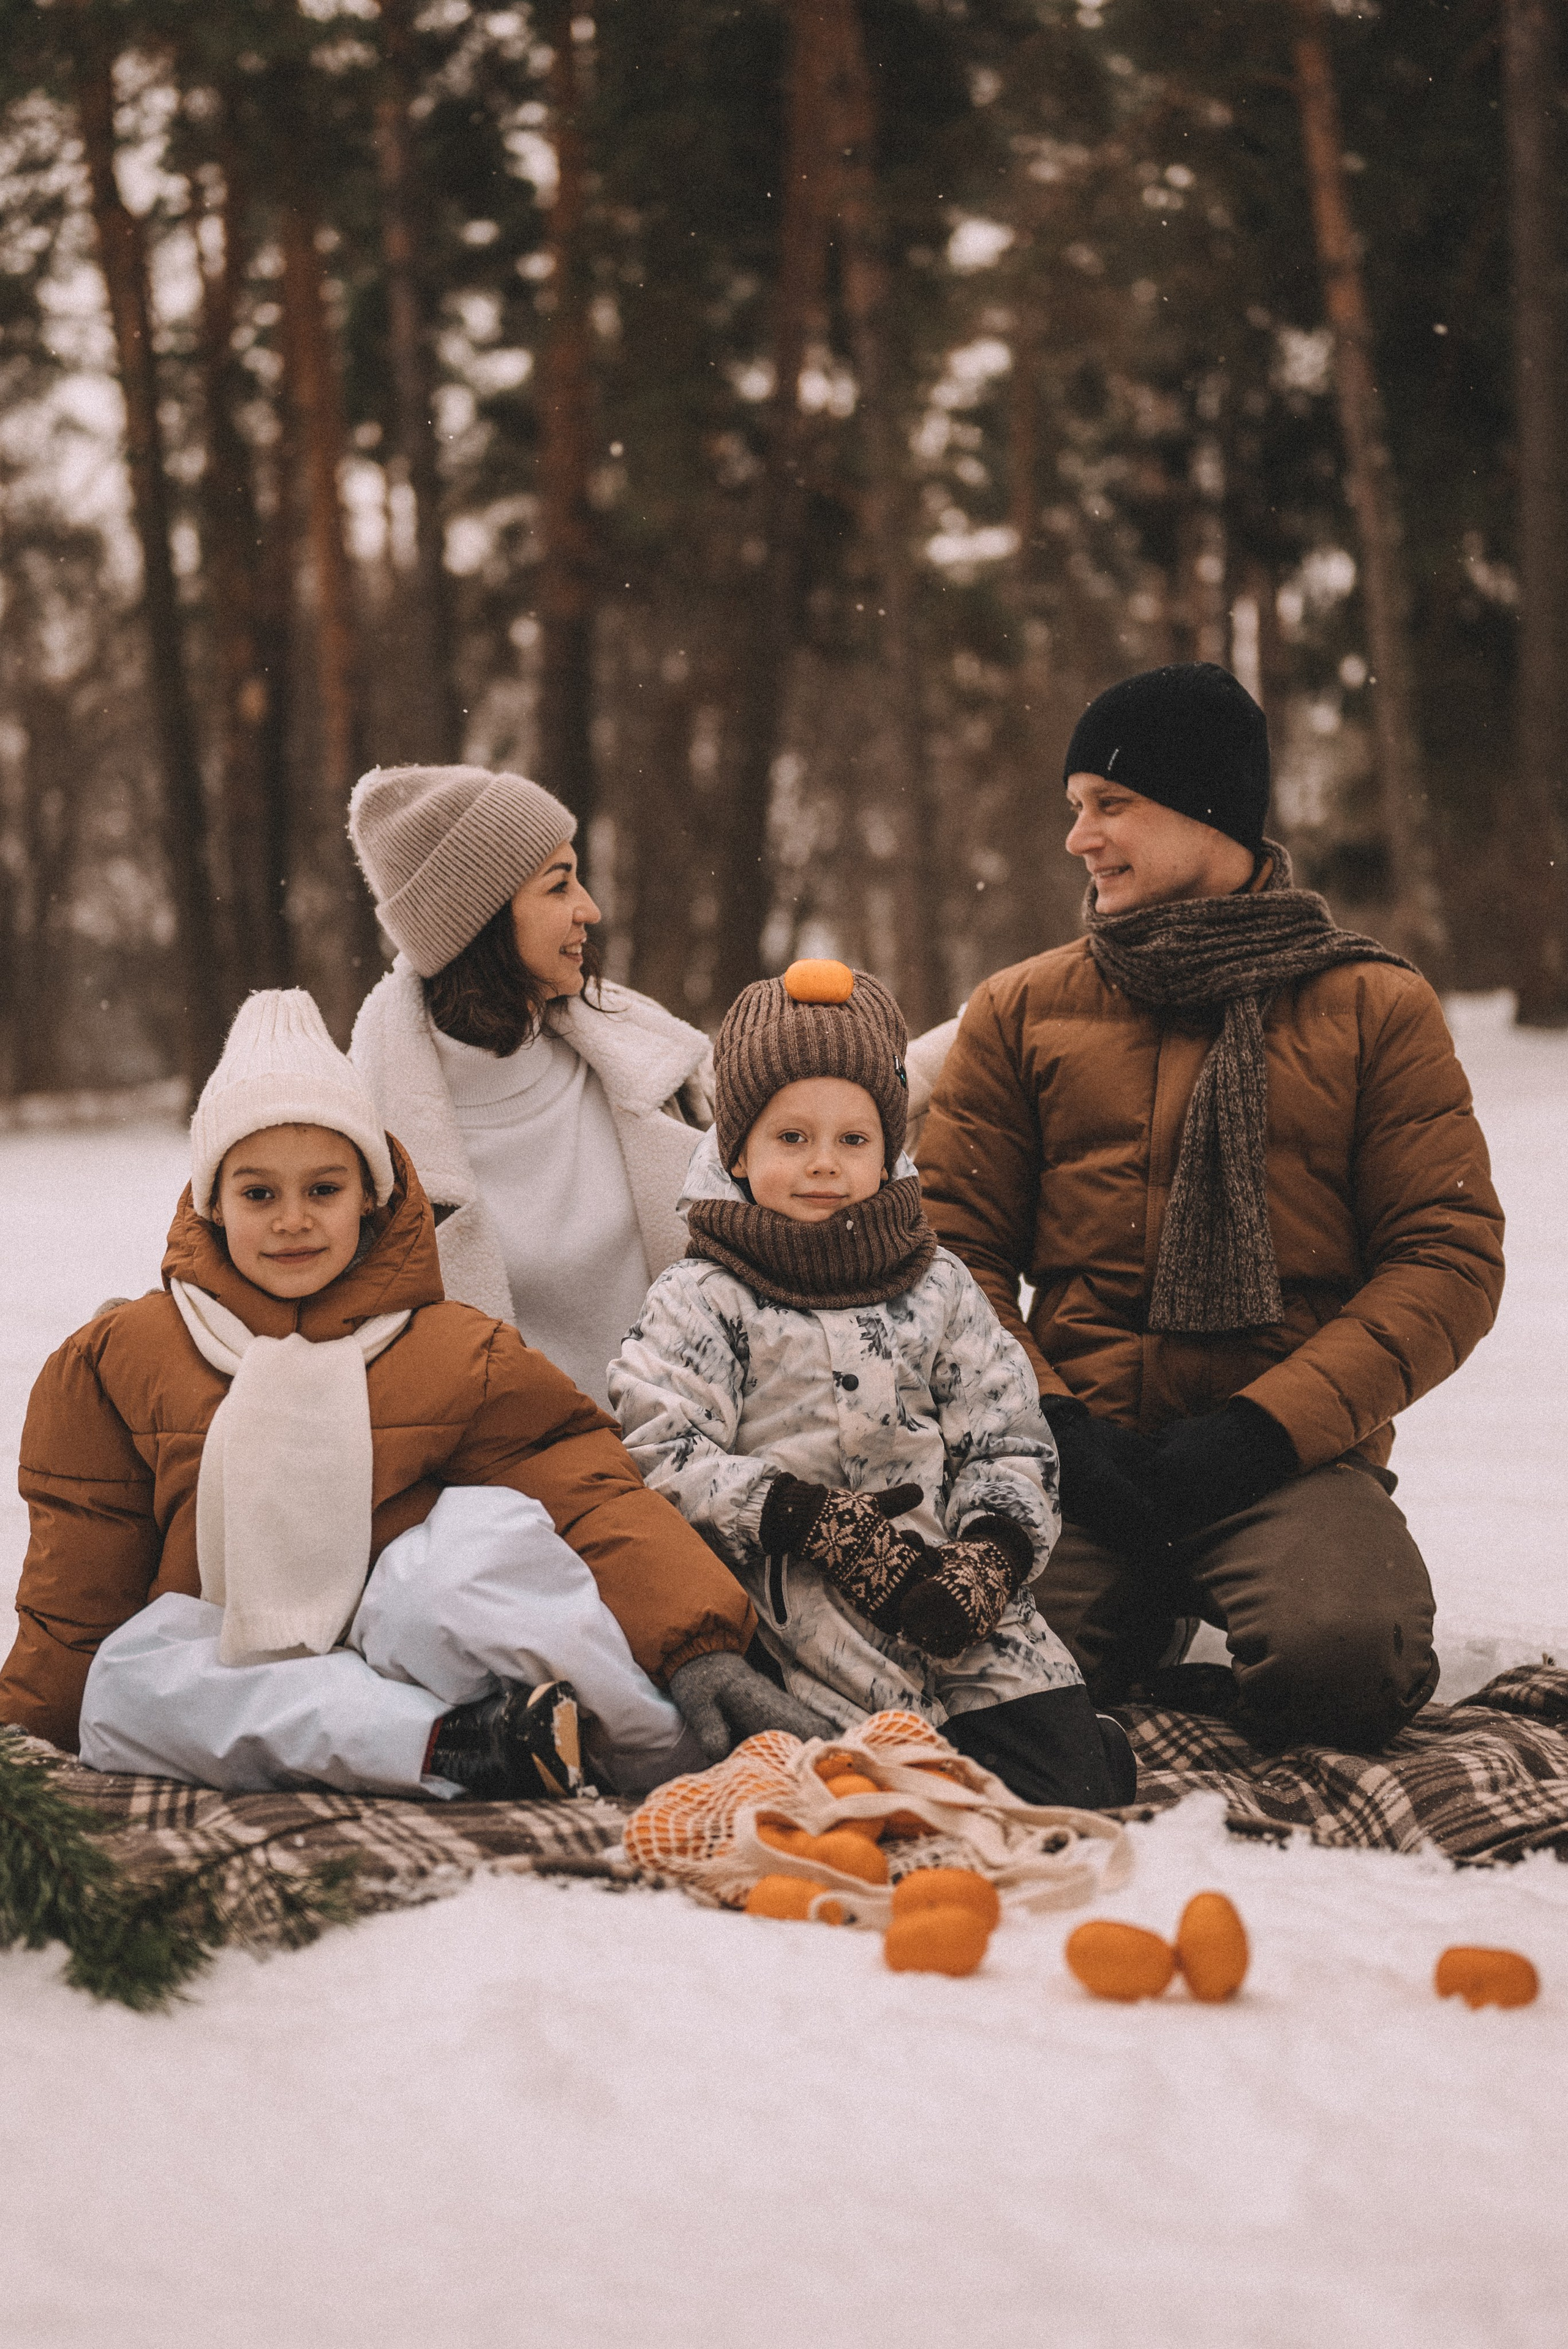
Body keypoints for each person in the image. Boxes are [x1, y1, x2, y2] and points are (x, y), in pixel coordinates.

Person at [0, 990, 826, 1795]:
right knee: (127, 1676)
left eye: (323, 1189)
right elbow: (80, 1591)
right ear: (212, 1201)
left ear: (371, 1193)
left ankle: (656, 1743)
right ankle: (468, 1746)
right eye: (259, 1193)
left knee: (470, 1550)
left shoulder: (454, 1349)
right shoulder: (123, 1357)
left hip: (419, 1652)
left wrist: (698, 1645)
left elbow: (591, 1497)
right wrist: (28, 1750)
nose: (292, 1219)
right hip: (250, 1675)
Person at [917, 662, 1506, 1751]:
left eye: (1110, 804)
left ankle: (1212, 1603)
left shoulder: (1375, 1007)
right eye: (1074, 807)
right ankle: (1132, 1616)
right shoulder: (1021, 1009)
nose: (1079, 839)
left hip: (1287, 1456)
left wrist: (1261, 1431)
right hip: (1076, 1457)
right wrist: (1054, 1427)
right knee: (971, 1683)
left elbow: (1448, 1258)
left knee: (1351, 1665)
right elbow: (950, 1256)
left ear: (1207, 809)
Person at [608, 959, 1136, 1809]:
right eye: (791, 1138)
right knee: (874, 1796)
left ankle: (1073, 1740)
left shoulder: (939, 1286)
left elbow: (1007, 1435)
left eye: (853, 1141)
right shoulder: (702, 1297)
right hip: (801, 1608)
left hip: (955, 1593)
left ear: (889, 1151)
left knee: (1070, 1795)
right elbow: (661, 1451)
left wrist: (992, 1553)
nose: (824, 1164)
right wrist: (805, 1517)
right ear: (737, 1148)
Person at [346, 763, 715, 1412]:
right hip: (512, 1467)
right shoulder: (362, 1140)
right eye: (558, 884)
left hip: (695, 1442)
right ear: (479, 919)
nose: (589, 909)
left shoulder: (645, 1051)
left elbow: (806, 1133)